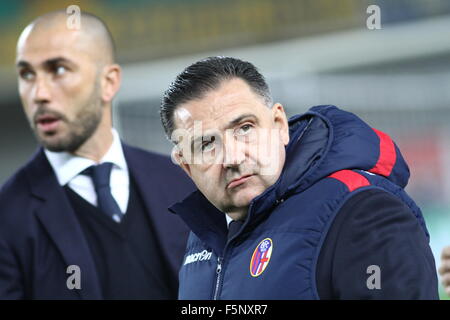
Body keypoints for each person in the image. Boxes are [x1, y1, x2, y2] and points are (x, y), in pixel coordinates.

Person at [159, 56, 439, 299]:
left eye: (244, 128)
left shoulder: (360, 211)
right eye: (206, 144)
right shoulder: (203, 238)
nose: (232, 158)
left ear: (280, 125)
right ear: (186, 166)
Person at [0, 10, 194, 299]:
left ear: (108, 82)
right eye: (27, 74)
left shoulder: (182, 183)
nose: (38, 93)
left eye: (59, 69)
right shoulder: (8, 217)